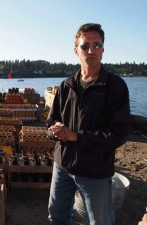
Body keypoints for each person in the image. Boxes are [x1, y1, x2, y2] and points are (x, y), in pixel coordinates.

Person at [47, 23, 130, 225]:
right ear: (76, 51)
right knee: (57, 216)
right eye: (85, 46)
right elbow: (50, 120)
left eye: (97, 45)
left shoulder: (115, 86)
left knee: (99, 221)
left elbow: (118, 134)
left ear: (103, 49)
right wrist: (55, 129)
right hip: (63, 165)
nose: (91, 51)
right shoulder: (66, 86)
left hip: (95, 170)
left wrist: (77, 136)